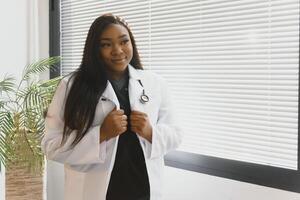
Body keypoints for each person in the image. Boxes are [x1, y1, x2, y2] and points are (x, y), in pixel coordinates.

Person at [42, 13, 183, 200]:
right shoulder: (71, 86)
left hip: (143, 191)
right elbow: (50, 146)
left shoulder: (155, 83)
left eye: (124, 42)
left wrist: (150, 132)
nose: (118, 50)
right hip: (95, 193)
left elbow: (176, 135)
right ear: (95, 49)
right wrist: (101, 134)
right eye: (106, 44)